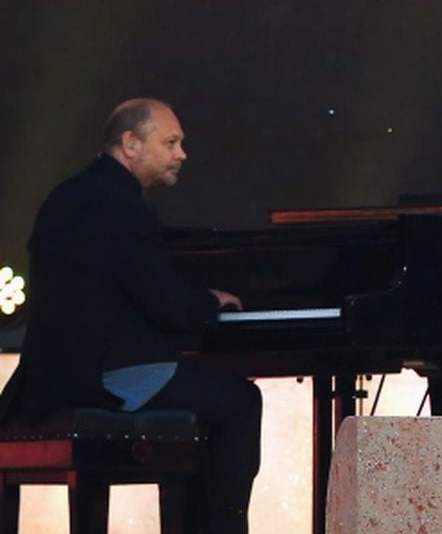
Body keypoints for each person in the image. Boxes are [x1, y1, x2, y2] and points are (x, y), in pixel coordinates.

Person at [0, 98, 262, 534]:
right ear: (131, 144)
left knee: (209, 393)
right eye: (171, 142)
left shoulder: (68, 196)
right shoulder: (122, 208)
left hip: (50, 377)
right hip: (103, 375)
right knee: (239, 401)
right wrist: (210, 302)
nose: (182, 154)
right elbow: (164, 301)